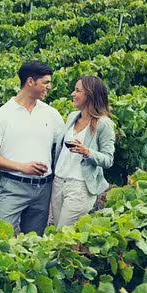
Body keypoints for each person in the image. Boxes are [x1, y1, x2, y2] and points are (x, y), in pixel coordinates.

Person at [0, 61, 64, 235]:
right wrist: (22, 167)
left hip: (44, 188)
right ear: (30, 82)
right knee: (0, 238)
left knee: (34, 242)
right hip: (13, 186)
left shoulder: (52, 114)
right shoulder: (2, 115)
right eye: (46, 82)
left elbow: (64, 147)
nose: (49, 87)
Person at [51, 76, 115, 227]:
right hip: (59, 182)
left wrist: (88, 152)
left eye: (77, 90)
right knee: (59, 233)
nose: (73, 94)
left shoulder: (104, 124)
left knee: (63, 233)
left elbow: (108, 159)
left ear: (90, 95)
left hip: (79, 186)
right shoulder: (73, 117)